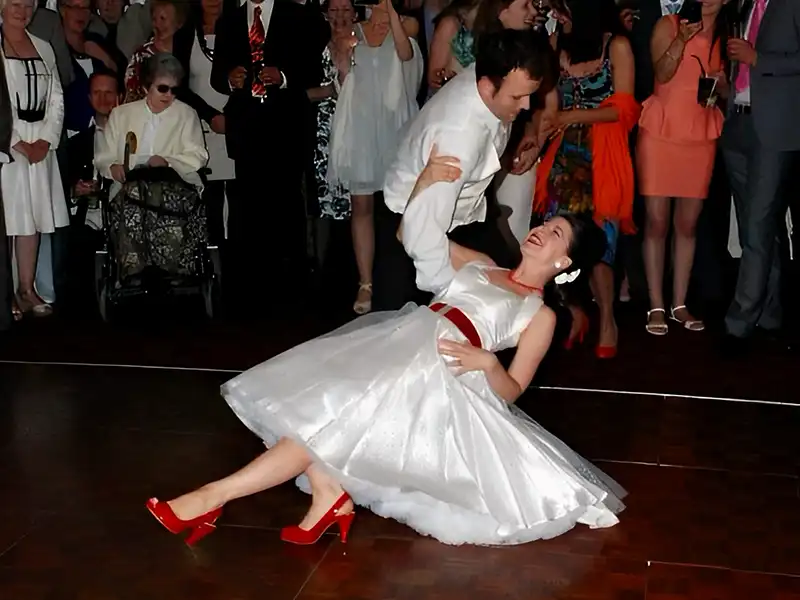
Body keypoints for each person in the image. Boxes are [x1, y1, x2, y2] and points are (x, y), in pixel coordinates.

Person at [145, 146, 624, 547]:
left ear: (563, 262)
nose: (541, 229)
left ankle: (211, 498)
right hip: (399, 342)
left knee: (322, 424)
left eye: (554, 232)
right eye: (546, 222)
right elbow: (407, 233)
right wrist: (426, 182)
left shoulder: (539, 315)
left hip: (432, 375)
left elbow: (513, 389)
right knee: (316, 412)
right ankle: (326, 496)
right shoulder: (481, 263)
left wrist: (484, 362)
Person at [373, 29, 549, 311]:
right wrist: (478, 270)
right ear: (487, 86)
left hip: (464, 213)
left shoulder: (492, 71)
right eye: (517, 97)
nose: (526, 106)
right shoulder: (457, 139)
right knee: (407, 334)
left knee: (512, 298)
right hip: (411, 223)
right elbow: (416, 235)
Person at [637, 0, 728, 335]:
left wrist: (722, 83)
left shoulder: (726, 35)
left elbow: (729, 93)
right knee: (657, 221)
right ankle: (656, 304)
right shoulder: (670, 24)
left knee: (688, 224)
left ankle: (679, 304)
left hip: (701, 132)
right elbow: (660, 74)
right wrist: (681, 41)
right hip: (661, 130)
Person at [721, 0, 800, 354]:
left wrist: (758, 60)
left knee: (757, 223)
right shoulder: (746, 3)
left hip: (774, 127)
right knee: (760, 226)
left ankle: (739, 322)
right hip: (738, 119)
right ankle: (768, 313)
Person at [1, 0, 66, 320]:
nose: (22, 10)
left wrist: (46, 140)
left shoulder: (43, 46)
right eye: (15, 3)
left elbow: (56, 99)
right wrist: (14, 141)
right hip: (7, 144)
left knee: (33, 220)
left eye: (28, 4)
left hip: (39, 144)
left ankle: (27, 289)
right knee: (10, 220)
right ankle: (7, 292)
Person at [94, 53, 208, 195]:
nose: (169, 95)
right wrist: (112, 168)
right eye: (162, 88)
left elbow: (198, 155)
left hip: (175, 189)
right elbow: (103, 157)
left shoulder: (187, 114)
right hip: (129, 191)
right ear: (146, 88)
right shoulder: (121, 115)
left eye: (174, 90)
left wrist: (168, 163)